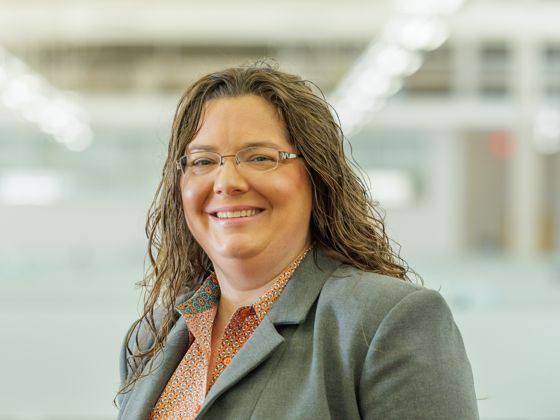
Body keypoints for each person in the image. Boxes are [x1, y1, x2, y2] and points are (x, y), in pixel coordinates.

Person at [116, 63, 479, 419]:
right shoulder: (152, 339)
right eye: (203, 161)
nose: (227, 182)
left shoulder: (387, 322)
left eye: (260, 157)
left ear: (316, 175)